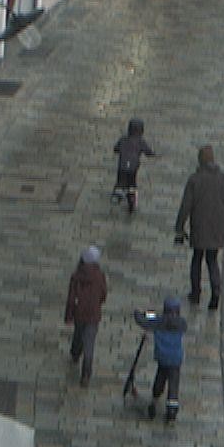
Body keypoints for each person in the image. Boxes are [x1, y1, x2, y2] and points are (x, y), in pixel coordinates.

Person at [174, 145, 224, 310]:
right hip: (218, 227)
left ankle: (195, 293)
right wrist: (223, 217)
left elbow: (185, 206)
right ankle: (216, 291)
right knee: (212, 260)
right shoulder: (223, 178)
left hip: (199, 226)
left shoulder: (195, 180)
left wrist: (179, 227)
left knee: (197, 259)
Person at [135, 297, 188, 422]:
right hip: (175, 359)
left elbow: (144, 320)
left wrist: (139, 313)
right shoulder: (182, 323)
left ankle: (155, 397)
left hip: (162, 358)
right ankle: (172, 410)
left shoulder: (158, 321)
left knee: (160, 377)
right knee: (174, 384)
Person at [64, 245, 108, 386]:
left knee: (78, 334)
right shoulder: (100, 276)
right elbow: (103, 294)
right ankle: (86, 375)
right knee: (89, 344)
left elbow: (71, 298)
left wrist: (68, 316)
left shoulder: (76, 276)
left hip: (79, 313)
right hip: (93, 315)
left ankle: (75, 353)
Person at [111, 117, 157, 213]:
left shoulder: (123, 139)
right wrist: (153, 154)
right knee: (132, 181)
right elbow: (148, 152)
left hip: (122, 165)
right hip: (133, 166)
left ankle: (118, 192)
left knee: (121, 179)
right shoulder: (141, 141)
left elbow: (116, 149)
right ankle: (131, 194)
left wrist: (119, 150)